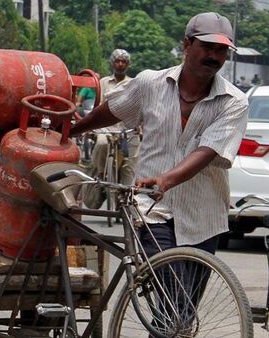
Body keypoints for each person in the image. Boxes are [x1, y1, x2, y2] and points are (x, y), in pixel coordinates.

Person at [71, 9, 247, 278]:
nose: (214, 57)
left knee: (184, 312)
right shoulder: (150, 83)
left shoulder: (233, 102)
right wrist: (71, 130)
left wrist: (166, 179)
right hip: (152, 211)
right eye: (207, 47)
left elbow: (208, 151)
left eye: (221, 51)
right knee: (172, 295)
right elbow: (112, 110)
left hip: (204, 217)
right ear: (186, 45)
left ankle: (172, 321)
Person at [83, 49, 137, 209]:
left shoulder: (133, 83)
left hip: (126, 129)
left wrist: (140, 126)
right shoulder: (103, 83)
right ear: (112, 63)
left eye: (124, 61)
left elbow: (137, 108)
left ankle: (127, 196)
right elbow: (96, 107)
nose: (120, 64)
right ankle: (100, 173)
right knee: (101, 144)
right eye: (117, 61)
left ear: (128, 64)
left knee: (130, 162)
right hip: (104, 129)